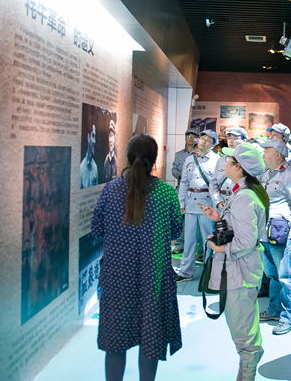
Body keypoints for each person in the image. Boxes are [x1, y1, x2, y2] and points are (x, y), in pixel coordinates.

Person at [91, 134, 183, 381]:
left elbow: (97, 229)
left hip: (117, 277)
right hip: (154, 279)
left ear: (128, 157)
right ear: (155, 159)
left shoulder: (111, 190)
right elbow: (176, 230)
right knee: (150, 340)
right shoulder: (165, 193)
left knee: (115, 343)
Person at [200, 143, 269, 381]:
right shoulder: (243, 192)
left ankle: (247, 375)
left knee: (244, 333)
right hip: (239, 270)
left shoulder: (245, 197)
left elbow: (245, 241)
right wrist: (220, 216)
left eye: (230, 160)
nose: (225, 163)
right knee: (242, 327)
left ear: (239, 167)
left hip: (240, 272)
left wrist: (220, 248)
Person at [258, 137, 291, 335]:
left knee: (287, 277)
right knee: (272, 275)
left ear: (277, 155)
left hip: (282, 232)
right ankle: (274, 310)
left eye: (266, 151)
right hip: (266, 232)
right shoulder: (266, 173)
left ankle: (289, 318)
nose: (263, 154)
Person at [176, 129, 220, 282]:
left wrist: (217, 205)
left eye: (208, 140)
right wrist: (181, 202)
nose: (203, 142)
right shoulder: (190, 159)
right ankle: (186, 272)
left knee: (209, 239)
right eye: (202, 138)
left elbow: (217, 185)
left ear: (213, 145)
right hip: (191, 203)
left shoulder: (217, 160)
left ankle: (209, 271)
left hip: (207, 204)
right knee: (189, 240)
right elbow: (184, 183)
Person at [170, 128, 197, 255]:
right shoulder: (179, 155)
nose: (190, 138)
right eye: (188, 136)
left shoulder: (199, 155)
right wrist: (180, 174)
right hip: (181, 190)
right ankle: (179, 244)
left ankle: (198, 249)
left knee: (195, 219)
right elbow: (174, 169)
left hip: (196, 192)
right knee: (180, 217)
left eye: (193, 136)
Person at [210, 126, 248, 210]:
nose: (231, 141)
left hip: (240, 203)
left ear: (244, 141)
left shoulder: (248, 161)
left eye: (235, 138)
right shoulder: (221, 160)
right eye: (229, 138)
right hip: (222, 203)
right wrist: (218, 201)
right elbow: (213, 183)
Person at [81, 123, 99, 188]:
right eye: (93, 136)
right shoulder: (81, 168)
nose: (94, 141)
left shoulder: (95, 168)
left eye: (95, 137)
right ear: (88, 137)